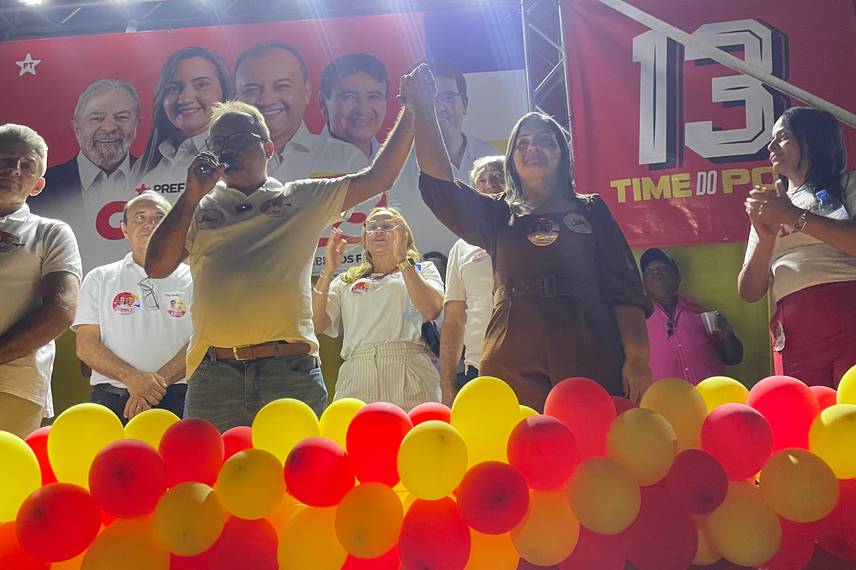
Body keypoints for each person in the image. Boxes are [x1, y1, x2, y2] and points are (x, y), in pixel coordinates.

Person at [144, 67, 417, 430]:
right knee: (212, 468)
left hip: (289, 370)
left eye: (240, 138)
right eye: (218, 142)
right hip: (215, 375)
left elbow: (379, 177)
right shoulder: (198, 207)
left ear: (269, 147)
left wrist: (412, 108)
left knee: (299, 466)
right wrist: (191, 196)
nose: (228, 148)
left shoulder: (301, 197)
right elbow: (156, 267)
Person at [411, 66, 652, 409]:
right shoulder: (496, 214)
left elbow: (625, 290)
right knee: (519, 437)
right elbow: (439, 184)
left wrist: (637, 358)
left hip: (590, 344)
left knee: (589, 433)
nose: (532, 148)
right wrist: (422, 107)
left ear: (562, 153)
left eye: (544, 141)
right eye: (522, 143)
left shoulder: (591, 209)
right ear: (511, 160)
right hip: (511, 352)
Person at [740, 106, 856, 387]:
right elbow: (749, 291)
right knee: (806, 409)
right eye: (771, 140)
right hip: (794, 332)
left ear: (812, 138)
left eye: (782, 137)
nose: (771, 147)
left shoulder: (848, 184)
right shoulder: (771, 205)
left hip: (848, 315)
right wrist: (766, 238)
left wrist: (794, 216)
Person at [73, 191, 192, 423]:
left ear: (173, 227)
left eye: (159, 217)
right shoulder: (100, 278)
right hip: (113, 396)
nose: (150, 224)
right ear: (124, 229)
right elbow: (85, 345)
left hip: (180, 393)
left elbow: (201, 341)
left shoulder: (193, 277)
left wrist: (154, 385)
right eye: (140, 217)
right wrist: (132, 378)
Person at [312, 208, 444, 410]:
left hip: (409, 364)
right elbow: (316, 324)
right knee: (357, 430)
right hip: (357, 370)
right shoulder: (346, 280)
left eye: (388, 225)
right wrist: (328, 270)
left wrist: (402, 261)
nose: (379, 231)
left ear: (404, 235)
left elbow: (432, 310)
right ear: (365, 240)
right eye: (372, 227)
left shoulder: (422, 269)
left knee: (414, 430)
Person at [0, 124, 82, 437]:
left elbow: (61, 310)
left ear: (37, 185)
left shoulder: (51, 233)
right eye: (5, 160)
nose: (14, 170)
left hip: (14, 385)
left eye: (26, 165)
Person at [33, 78, 142, 268]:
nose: (109, 128)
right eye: (96, 118)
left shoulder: (157, 174)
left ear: (137, 124)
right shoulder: (41, 187)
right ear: (77, 128)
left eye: (122, 117)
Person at [235, 42, 367, 183]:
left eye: (281, 86)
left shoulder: (346, 159)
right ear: (235, 99)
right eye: (252, 89)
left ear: (307, 91)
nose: (267, 100)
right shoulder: (219, 164)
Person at [440, 155, 505, 404]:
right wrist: (447, 386)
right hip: (479, 365)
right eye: (482, 180)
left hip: (533, 364)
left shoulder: (535, 230)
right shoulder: (461, 247)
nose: (491, 184)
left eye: (498, 176)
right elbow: (454, 320)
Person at [134, 46, 234, 198]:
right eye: (173, 88)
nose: (185, 99)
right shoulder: (142, 166)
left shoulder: (243, 158)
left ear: (224, 90)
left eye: (201, 85)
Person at [641, 248, 743, 385]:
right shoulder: (637, 320)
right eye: (650, 272)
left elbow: (734, 358)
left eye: (663, 268)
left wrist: (728, 336)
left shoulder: (702, 313)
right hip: (660, 397)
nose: (657, 273)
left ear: (677, 278)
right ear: (643, 285)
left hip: (708, 395)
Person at [319, 53, 389, 161]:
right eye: (349, 96)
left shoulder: (407, 166)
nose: (362, 110)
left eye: (373, 96)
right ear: (323, 104)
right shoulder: (297, 163)